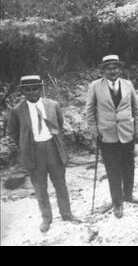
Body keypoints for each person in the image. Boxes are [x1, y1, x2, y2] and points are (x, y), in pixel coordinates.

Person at [8, 75, 81, 232]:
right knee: (40, 188)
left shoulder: (52, 105)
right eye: (28, 89)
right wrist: (26, 145)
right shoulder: (17, 111)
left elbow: (59, 125)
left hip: (53, 149)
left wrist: (52, 141)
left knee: (61, 184)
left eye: (35, 88)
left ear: (40, 88)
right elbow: (13, 133)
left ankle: (67, 214)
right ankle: (46, 219)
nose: (32, 92)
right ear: (22, 92)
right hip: (33, 152)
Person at [86, 55, 138, 218]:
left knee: (129, 165)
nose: (113, 71)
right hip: (107, 135)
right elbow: (89, 112)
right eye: (109, 68)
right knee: (113, 169)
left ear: (120, 69)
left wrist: (137, 130)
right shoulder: (95, 86)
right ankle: (117, 203)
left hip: (127, 133)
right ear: (103, 70)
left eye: (115, 67)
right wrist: (95, 132)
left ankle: (128, 194)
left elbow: (136, 109)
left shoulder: (128, 84)